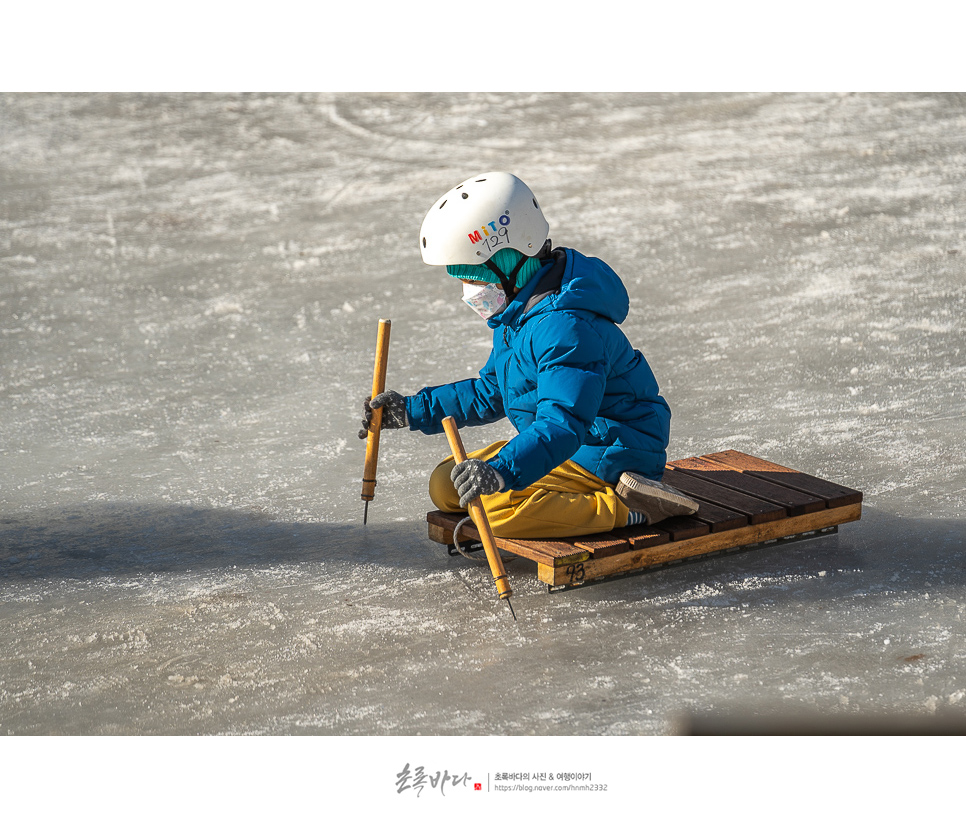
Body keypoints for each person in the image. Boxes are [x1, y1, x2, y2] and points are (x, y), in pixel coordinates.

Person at [359, 172, 697, 539]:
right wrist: (411, 410)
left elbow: (562, 423)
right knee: (447, 483)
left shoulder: (565, 328)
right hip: (572, 445)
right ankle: (556, 497)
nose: (468, 291)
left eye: (473, 277)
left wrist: (503, 470)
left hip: (611, 451)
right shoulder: (517, 316)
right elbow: (491, 392)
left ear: (510, 261)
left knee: (494, 509)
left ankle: (631, 507)